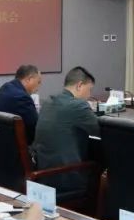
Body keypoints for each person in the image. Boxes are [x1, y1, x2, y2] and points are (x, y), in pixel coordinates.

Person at [32, 67, 99, 196]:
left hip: (43, 175)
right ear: (79, 85)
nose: (89, 95)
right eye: (89, 90)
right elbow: (100, 130)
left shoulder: (49, 101)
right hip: (66, 178)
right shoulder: (78, 106)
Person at [0, 65, 42, 132]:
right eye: (38, 82)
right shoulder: (23, 98)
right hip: (15, 137)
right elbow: (36, 127)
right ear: (29, 79)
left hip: (0, 135)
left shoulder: (4, 88)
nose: (38, 87)